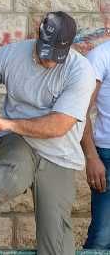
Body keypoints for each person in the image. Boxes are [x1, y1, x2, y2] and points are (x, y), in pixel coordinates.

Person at [0, 11, 95, 255]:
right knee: (6, 181)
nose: (49, 61)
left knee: (57, 246)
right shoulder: (12, 53)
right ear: (37, 36)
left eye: (56, 56)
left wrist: (7, 124)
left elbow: (57, 126)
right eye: (45, 52)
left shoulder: (81, 72)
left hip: (60, 153)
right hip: (20, 141)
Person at [81, 40, 110, 249]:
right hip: (107, 154)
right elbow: (80, 111)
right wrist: (91, 157)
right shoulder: (100, 57)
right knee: (102, 235)